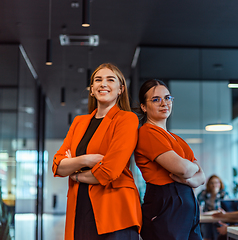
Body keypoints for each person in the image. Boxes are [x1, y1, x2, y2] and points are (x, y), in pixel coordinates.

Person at [52, 63, 142, 240]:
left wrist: (75, 173)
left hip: (115, 209)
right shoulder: (79, 122)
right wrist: (86, 160)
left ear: (120, 89)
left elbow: (109, 171)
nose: (103, 84)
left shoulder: (126, 119)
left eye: (110, 79)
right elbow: (58, 166)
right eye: (98, 80)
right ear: (92, 90)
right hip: (80, 206)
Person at [134, 79, 206, 240]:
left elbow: (201, 177)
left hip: (187, 203)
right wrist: (191, 168)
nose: (163, 103)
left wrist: (189, 178)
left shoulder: (176, 139)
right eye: (156, 99)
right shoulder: (146, 133)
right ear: (143, 107)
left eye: (167, 98)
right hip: (166, 204)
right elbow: (184, 169)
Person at [197, 175, 228, 240]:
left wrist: (216, 193)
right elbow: (198, 205)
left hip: (219, 220)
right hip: (206, 220)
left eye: (216, 182)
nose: (214, 185)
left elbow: (225, 209)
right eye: (212, 183)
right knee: (207, 225)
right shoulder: (203, 193)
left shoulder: (224, 194)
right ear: (208, 184)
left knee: (215, 225)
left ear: (220, 184)